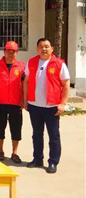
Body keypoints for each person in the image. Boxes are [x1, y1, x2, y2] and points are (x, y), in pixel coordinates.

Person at [23, 38, 70, 174]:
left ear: (52, 49)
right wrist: (25, 100)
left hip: (52, 106)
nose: (44, 49)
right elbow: (26, 81)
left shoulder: (59, 64)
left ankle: (53, 161)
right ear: (37, 49)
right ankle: (37, 159)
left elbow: (66, 85)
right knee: (37, 134)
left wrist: (62, 103)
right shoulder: (31, 62)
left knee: (53, 136)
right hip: (34, 105)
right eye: (41, 46)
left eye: (47, 46)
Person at [0, 41, 26, 163]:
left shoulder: (22, 66)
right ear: (4, 51)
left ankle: (15, 152)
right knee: (0, 127)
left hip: (15, 102)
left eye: (13, 51)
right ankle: (0, 150)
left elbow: (25, 84)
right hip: (0, 102)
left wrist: (24, 99)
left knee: (16, 128)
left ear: (16, 52)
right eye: (8, 51)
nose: (10, 54)